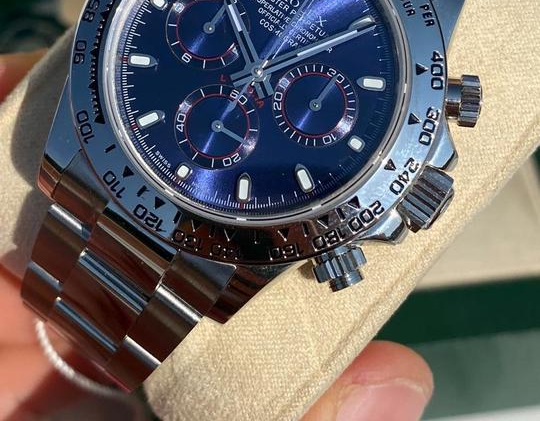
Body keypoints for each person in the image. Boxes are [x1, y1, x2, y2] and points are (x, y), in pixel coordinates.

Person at [0, 51, 433, 421]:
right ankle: (86, 333)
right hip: (117, 165)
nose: (258, 75)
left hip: (201, 236)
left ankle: (102, 345)